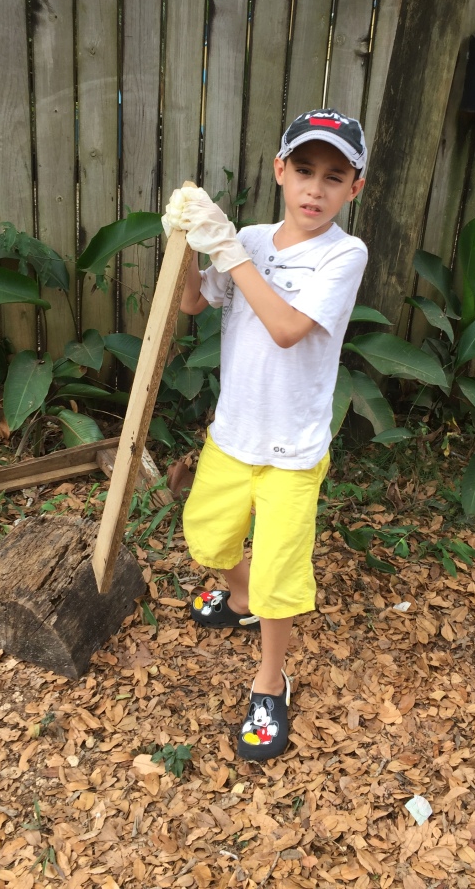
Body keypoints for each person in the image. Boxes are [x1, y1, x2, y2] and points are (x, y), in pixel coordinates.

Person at [163, 109, 369, 761]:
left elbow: (285, 329)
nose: (315, 188)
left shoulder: (343, 255)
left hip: (292, 451)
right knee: (206, 535)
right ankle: (240, 592)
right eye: (304, 170)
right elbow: (193, 302)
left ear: (354, 188)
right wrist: (182, 246)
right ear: (280, 171)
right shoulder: (249, 237)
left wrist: (230, 251)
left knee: (280, 575)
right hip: (233, 434)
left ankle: (270, 680)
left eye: (333, 177)